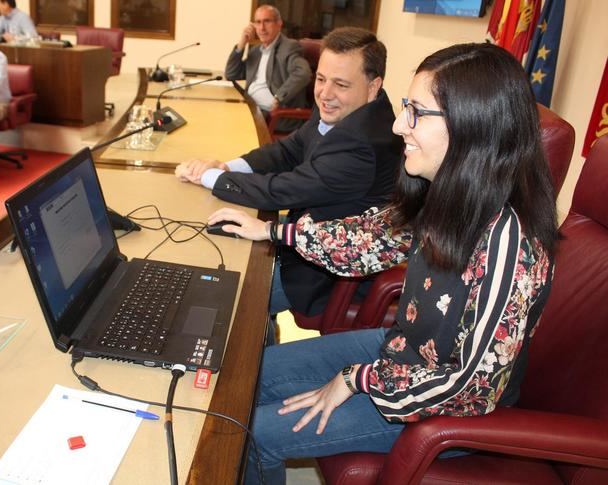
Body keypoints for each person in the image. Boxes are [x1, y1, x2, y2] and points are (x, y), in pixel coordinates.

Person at [208, 42, 558, 484]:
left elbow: (471, 387)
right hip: (399, 354)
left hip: (439, 405)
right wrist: (274, 232)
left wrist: (359, 380)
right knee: (240, 380)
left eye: (415, 112)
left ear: (472, 126)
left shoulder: (510, 241)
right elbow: (369, 238)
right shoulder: (447, 192)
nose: (397, 125)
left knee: (251, 432)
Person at [177, 27, 403, 321]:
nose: (325, 93)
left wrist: (209, 178)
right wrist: (228, 167)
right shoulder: (344, 107)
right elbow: (289, 149)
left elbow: (284, 190)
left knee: (218, 295)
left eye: (341, 85)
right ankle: (263, 333)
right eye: (320, 79)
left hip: (324, 274)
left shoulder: (366, 143)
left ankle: (257, 346)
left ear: (374, 86)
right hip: (301, 231)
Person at [225, 5, 311, 131]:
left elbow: (303, 73)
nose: (262, 28)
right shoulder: (255, 51)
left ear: (279, 23)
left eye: (267, 21)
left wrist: (279, 97)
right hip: (251, 107)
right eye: (258, 22)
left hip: (272, 116)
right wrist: (241, 45)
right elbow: (231, 74)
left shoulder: (289, 47)